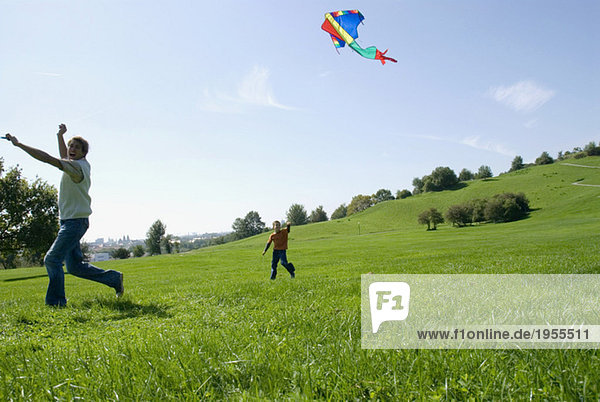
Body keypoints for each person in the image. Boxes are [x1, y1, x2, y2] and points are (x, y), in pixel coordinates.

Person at [6, 124, 123, 306]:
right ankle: (114, 279)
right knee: (75, 267)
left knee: (52, 259)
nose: (72, 149)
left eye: (77, 147)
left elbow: (47, 159)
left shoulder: (77, 168)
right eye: (71, 146)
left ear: (84, 152)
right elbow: (63, 157)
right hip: (70, 221)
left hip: (75, 223)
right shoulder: (74, 164)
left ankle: (56, 302)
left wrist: (19, 144)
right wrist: (60, 136)